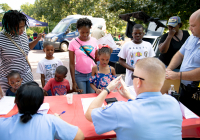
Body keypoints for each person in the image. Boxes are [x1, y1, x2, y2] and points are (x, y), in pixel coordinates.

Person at [85, 57, 182, 140]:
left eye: (133, 76)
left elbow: (89, 114)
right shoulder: (173, 103)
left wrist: (107, 89)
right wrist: (129, 96)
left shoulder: (121, 110)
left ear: (138, 82)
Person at [0, 81, 84, 140]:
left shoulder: (2, 123)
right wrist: (59, 120)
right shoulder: (51, 121)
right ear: (40, 104)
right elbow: (79, 136)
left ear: (15, 101)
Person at [0, 10, 44, 96]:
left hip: (26, 75)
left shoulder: (23, 34)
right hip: (11, 81)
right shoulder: (1, 39)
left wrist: (37, 39)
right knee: (14, 104)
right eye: (19, 27)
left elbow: (26, 49)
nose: (22, 30)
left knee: (31, 98)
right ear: (9, 25)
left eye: (23, 27)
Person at [166, 9, 200, 117]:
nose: (190, 28)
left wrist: (178, 75)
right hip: (184, 91)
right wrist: (169, 69)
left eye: (193, 25)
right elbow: (180, 54)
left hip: (197, 93)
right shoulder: (191, 37)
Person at [69, 17, 98, 94]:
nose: (85, 35)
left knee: (91, 97)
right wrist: (73, 81)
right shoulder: (72, 43)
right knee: (82, 98)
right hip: (79, 75)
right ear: (78, 29)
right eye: (82, 32)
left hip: (92, 74)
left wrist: (107, 51)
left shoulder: (94, 41)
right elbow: (71, 63)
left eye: (87, 32)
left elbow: (97, 59)